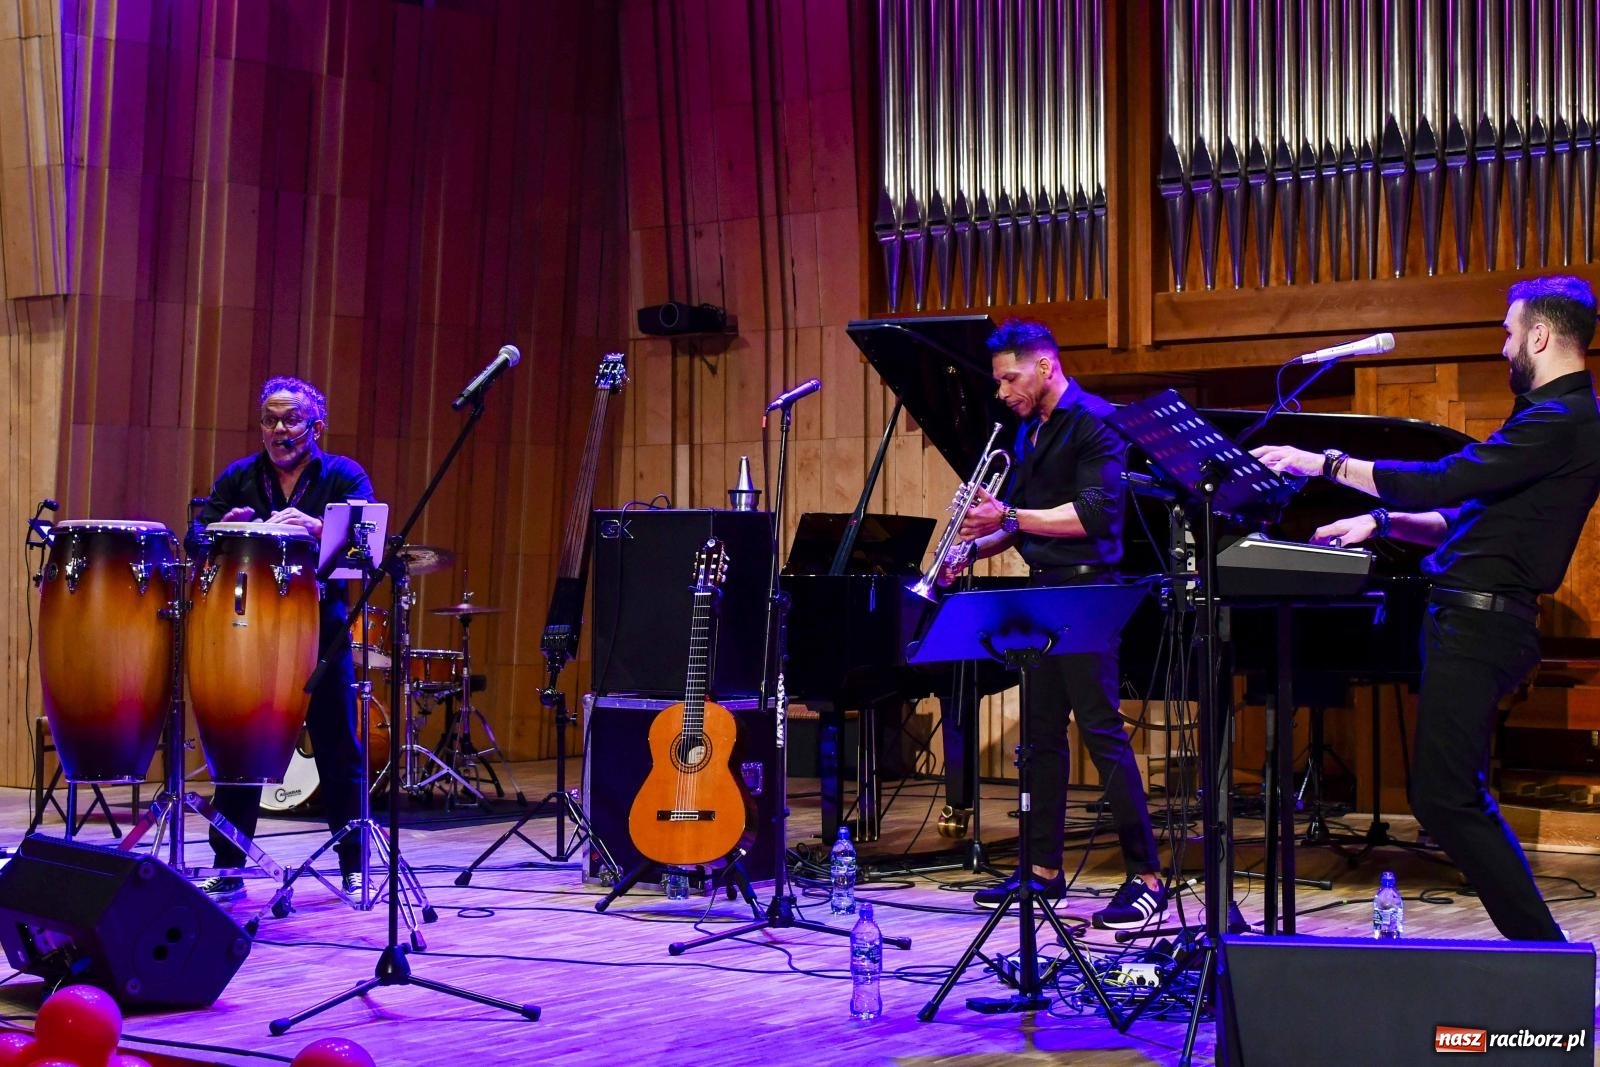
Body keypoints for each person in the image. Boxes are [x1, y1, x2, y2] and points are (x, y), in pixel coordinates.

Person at [1250, 275, 1600, 941]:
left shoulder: (1563, 421)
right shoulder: (1550, 421)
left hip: (1482, 623)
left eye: (1507, 332)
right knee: (1447, 794)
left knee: (1445, 797)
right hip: (1470, 618)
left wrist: (1324, 463)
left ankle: (1545, 953)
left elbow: (1447, 478)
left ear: (1539, 335)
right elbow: (1461, 520)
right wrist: (1379, 523)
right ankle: (1542, 953)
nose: (1503, 348)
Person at [945, 318, 1167, 930]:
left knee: (1102, 734)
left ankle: (1147, 877)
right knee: (1038, 737)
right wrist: (970, 546)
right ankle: (1041, 870)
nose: (1000, 391)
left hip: (1090, 590)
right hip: (1045, 591)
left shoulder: (1095, 420)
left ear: (1045, 367)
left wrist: (1006, 513)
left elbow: (1095, 515)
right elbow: (1020, 524)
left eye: (1008, 377)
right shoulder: (1028, 432)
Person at [193, 376, 376, 902]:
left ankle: (353, 864)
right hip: (248, 633)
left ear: (316, 426)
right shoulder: (238, 477)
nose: (279, 430)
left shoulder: (343, 475)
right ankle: (229, 866)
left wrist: (317, 528)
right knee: (238, 744)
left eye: (290, 420)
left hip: (323, 628)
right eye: (270, 420)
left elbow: (368, 543)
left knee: (339, 745)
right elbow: (195, 537)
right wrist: (221, 528)